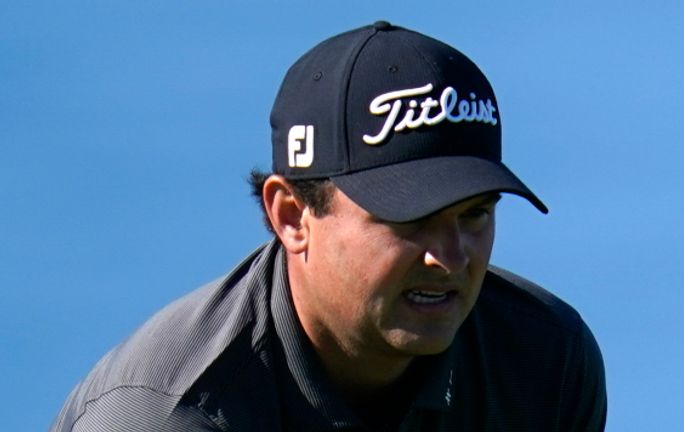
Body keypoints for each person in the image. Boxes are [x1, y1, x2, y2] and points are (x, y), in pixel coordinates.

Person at [51, 21, 607, 431]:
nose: (451, 256)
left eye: (475, 213)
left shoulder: (545, 363)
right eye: (408, 217)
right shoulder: (165, 416)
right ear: (292, 216)